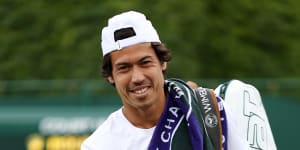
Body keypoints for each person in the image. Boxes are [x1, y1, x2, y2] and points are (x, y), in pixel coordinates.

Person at [81, 10, 276, 150]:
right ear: (110, 76)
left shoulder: (209, 109)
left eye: (145, 62)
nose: (137, 77)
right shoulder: (98, 145)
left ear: (162, 63)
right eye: (124, 68)